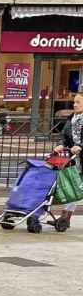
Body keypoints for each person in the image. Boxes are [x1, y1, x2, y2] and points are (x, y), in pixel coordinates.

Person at [53, 92, 83, 228]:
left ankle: (65, 218)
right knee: (74, 186)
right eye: (74, 102)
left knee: (76, 186)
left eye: (78, 102)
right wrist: (61, 144)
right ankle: (65, 218)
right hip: (74, 158)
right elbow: (65, 134)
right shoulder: (73, 117)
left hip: (79, 155)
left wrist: (80, 146)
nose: (74, 105)